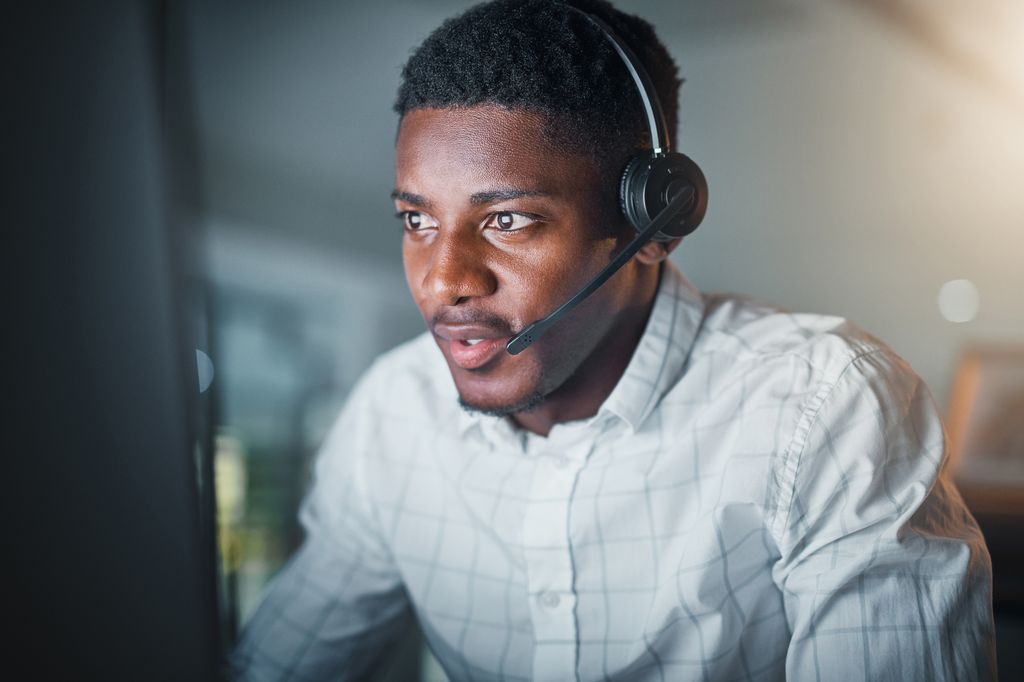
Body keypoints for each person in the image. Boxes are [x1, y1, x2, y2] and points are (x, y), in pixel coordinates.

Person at [230, 0, 996, 679]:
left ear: (651, 225)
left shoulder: (824, 405)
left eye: (507, 220)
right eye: (416, 221)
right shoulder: (393, 414)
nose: (443, 281)